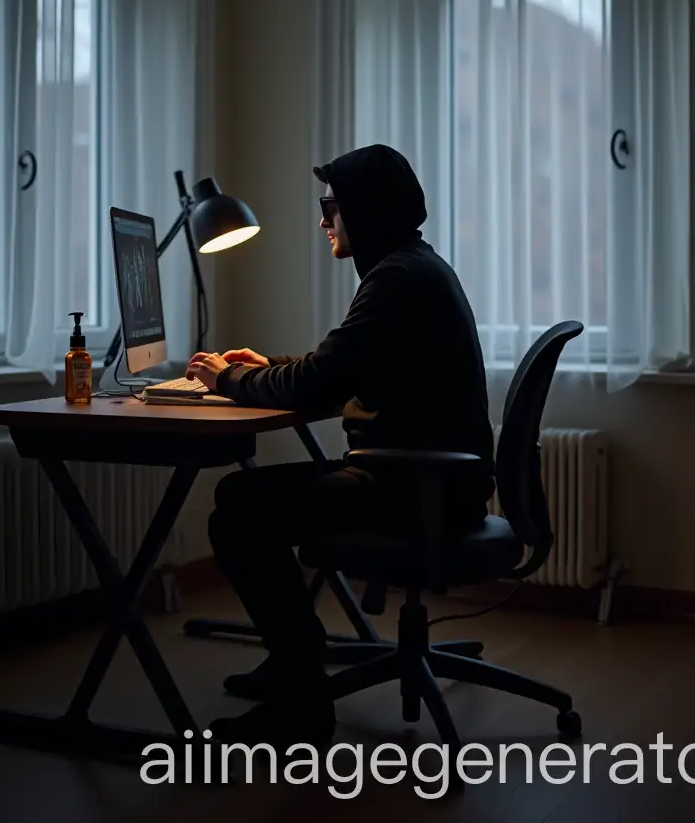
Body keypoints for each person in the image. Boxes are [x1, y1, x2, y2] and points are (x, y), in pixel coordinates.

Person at [186, 144, 495, 747]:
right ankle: (294, 665)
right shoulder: (410, 266)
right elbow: (342, 365)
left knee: (240, 506)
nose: (323, 218)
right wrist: (264, 366)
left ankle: (299, 699)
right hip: (430, 481)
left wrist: (225, 379)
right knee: (246, 497)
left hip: (413, 487)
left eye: (331, 205)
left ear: (366, 209)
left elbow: (320, 381)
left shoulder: (395, 279)